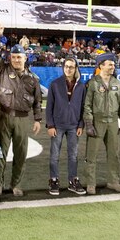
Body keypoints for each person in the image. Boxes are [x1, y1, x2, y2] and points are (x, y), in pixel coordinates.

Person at [0, 21, 42, 197]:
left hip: (22, 119)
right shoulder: (3, 71)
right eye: (13, 57)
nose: (16, 60)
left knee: (20, 154)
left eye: (19, 57)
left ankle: (16, 184)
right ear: (10, 58)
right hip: (4, 116)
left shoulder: (33, 79)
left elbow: (37, 101)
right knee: (0, 152)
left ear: (25, 58)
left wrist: (38, 119)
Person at [83, 52, 120, 194]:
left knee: (114, 154)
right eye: (110, 64)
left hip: (113, 122)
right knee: (92, 154)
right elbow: (87, 105)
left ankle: (113, 182)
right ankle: (91, 183)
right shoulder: (92, 83)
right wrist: (89, 124)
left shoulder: (117, 83)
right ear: (101, 66)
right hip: (97, 122)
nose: (113, 67)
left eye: (113, 64)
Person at [45, 56, 87, 196]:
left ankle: (73, 180)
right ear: (63, 68)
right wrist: (50, 125)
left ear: (76, 69)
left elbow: (82, 107)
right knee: (54, 155)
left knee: (73, 155)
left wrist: (81, 124)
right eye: (66, 66)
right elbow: (49, 106)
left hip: (74, 126)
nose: (68, 69)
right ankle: (54, 180)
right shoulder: (55, 84)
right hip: (57, 125)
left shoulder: (81, 86)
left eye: (71, 67)